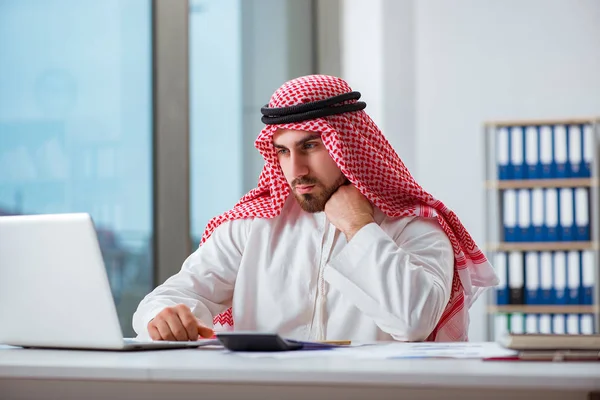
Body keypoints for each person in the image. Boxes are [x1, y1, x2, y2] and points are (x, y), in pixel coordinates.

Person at [132, 74, 498, 342]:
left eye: (309, 146)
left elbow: (414, 320)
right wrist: (162, 316)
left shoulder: (413, 227)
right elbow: (172, 296)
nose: (296, 170)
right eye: (283, 151)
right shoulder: (254, 226)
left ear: (348, 145)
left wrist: (359, 227)